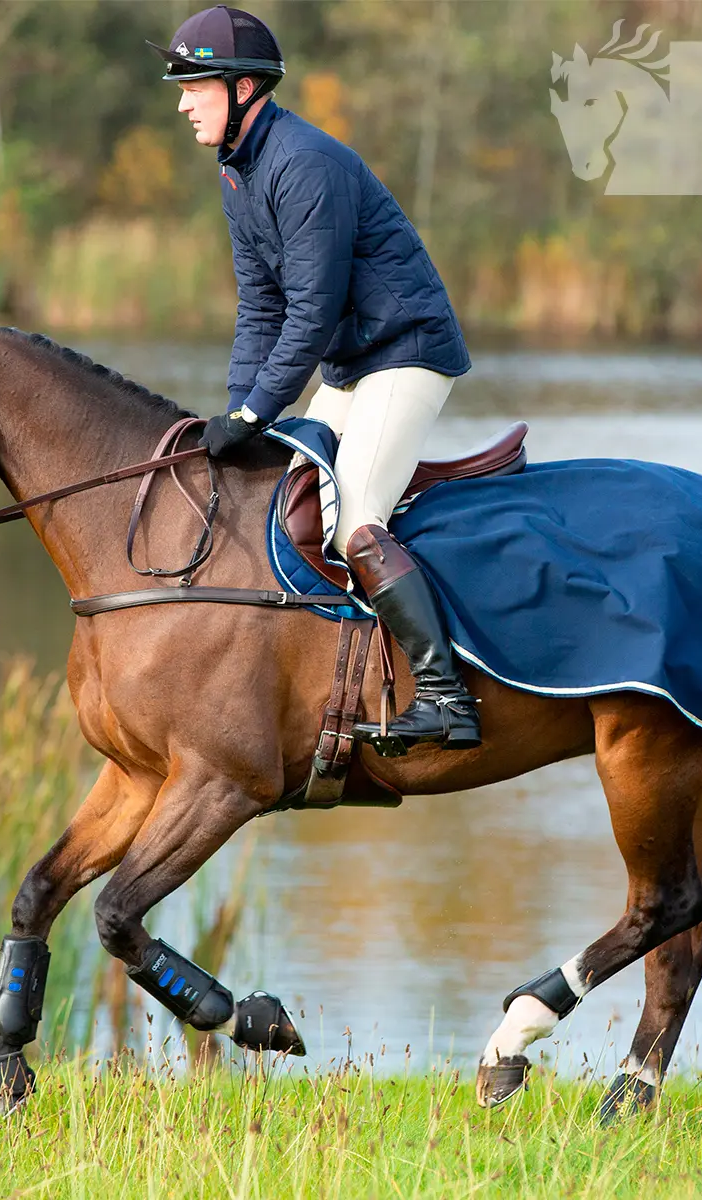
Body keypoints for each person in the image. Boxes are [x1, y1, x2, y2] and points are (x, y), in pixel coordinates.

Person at [150, 6, 480, 753]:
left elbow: (311, 309)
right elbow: (260, 305)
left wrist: (259, 409)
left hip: (408, 352)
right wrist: (238, 411)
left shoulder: (304, 164)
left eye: (193, 85)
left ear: (241, 90)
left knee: (357, 515)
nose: (181, 102)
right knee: (288, 497)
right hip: (353, 362)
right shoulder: (240, 171)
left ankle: (445, 696)